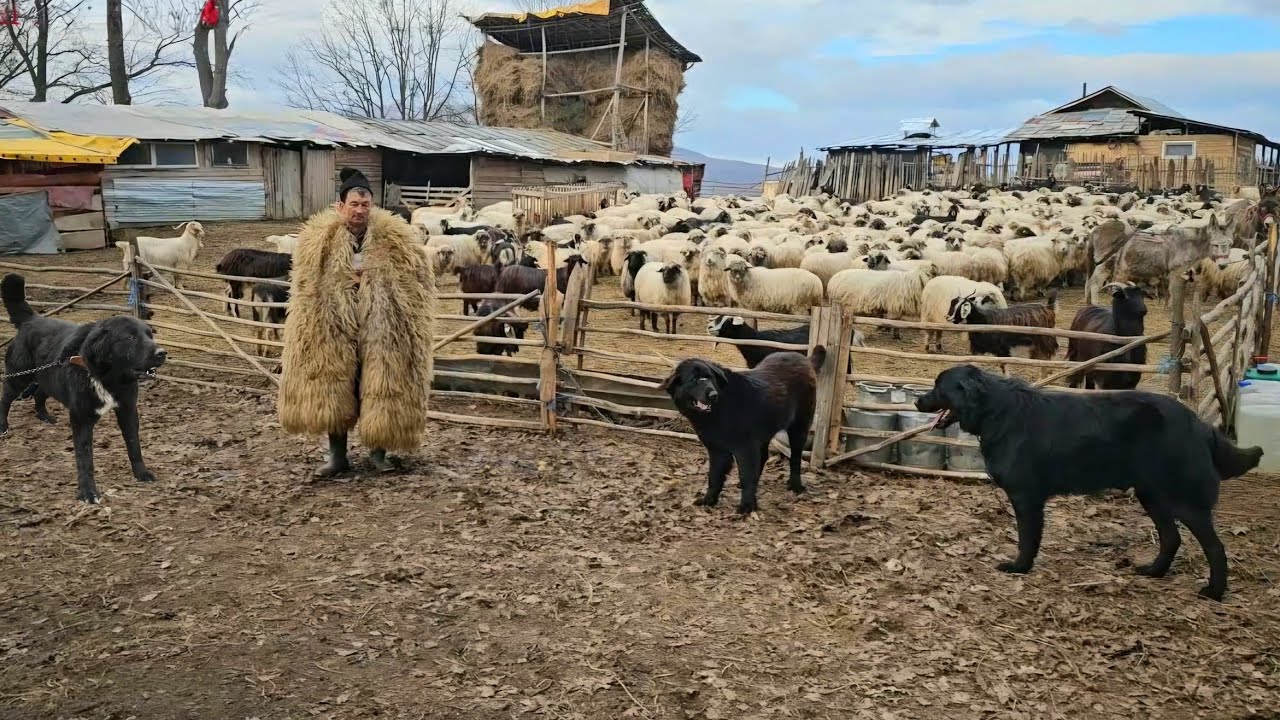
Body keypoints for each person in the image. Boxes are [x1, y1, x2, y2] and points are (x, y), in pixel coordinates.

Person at [278, 168, 436, 477]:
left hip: (382, 327)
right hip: (334, 327)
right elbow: (306, 285)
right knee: (335, 389)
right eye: (354, 204)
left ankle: (379, 453)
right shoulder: (317, 241)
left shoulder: (396, 239)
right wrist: (340, 283)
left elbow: (416, 279)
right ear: (340, 206)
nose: (360, 210)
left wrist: (377, 278)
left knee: (380, 386)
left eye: (365, 205)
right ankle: (337, 456)